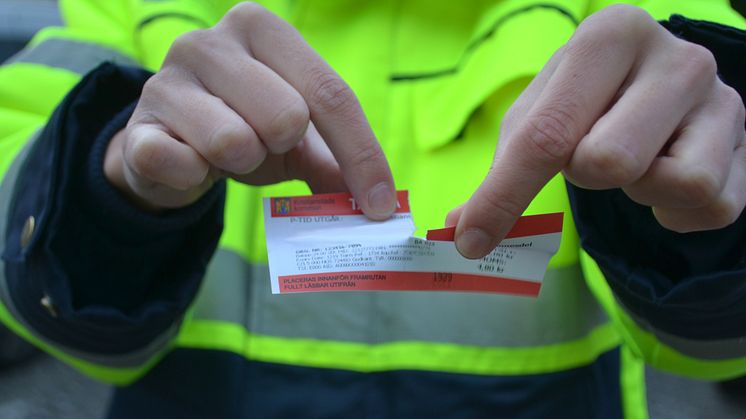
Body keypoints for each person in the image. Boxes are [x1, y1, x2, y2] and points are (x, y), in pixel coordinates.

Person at [1, 0, 745, 418]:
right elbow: (17, 236)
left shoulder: (633, 16)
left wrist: (707, 208)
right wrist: (111, 184)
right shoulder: (147, 6)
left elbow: (719, 345)